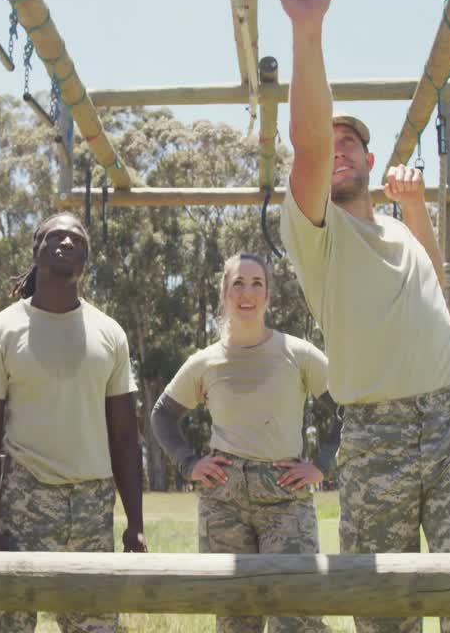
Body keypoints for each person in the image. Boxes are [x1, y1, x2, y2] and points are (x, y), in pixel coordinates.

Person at [276, 0, 450, 633]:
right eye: (333, 145)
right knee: (384, 616)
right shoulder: (319, 233)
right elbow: (309, 146)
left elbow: (434, 289)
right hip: (376, 436)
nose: (338, 151)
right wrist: (308, 30)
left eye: (352, 144)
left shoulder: (399, 231)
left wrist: (419, 209)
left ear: (371, 162)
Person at [0, 211, 147, 633]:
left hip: (92, 506)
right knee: (8, 623)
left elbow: (124, 435)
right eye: (55, 237)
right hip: (25, 502)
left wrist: (135, 524)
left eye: (77, 240)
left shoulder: (110, 334)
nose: (66, 243)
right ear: (37, 249)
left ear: (86, 258)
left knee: (96, 624)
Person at [151, 252, 340, 633]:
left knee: (297, 613)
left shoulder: (298, 353)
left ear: (268, 295)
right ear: (224, 292)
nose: (247, 292)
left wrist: (321, 465)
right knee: (236, 617)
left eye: (257, 284)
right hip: (224, 502)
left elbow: (348, 409)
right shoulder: (205, 362)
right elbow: (162, 416)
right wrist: (189, 464)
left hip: (285, 500)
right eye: (238, 283)